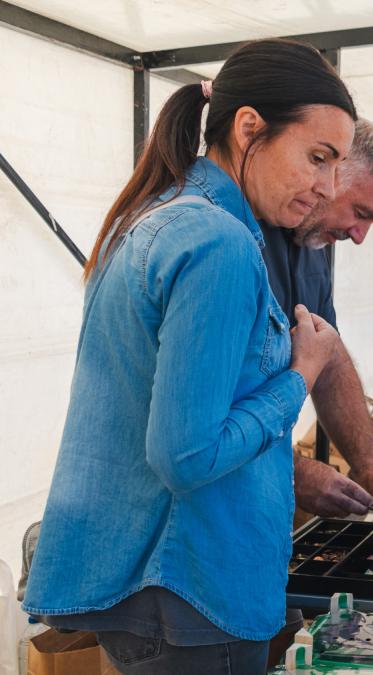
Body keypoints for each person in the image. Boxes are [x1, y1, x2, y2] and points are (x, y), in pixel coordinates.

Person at [22, 39, 354, 674]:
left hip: (154, 585)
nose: (327, 186)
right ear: (249, 127)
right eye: (318, 157)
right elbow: (186, 454)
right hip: (194, 591)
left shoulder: (153, 218)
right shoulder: (219, 242)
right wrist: (300, 373)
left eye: (336, 166)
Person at [259, 118, 373, 521]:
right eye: (360, 213)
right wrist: (291, 472)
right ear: (330, 174)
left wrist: (371, 468)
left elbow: (330, 358)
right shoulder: (231, 238)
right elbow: (198, 423)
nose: (360, 236)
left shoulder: (312, 243)